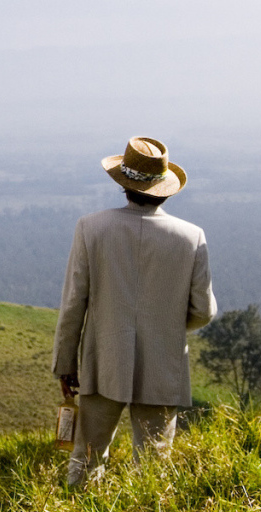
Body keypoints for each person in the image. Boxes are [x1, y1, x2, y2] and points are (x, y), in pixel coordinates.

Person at [52, 136, 217, 486]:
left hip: (103, 360)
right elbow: (203, 310)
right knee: (154, 467)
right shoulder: (191, 236)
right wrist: (168, 326)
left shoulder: (91, 228)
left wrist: (65, 364)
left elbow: (72, 305)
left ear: (122, 184)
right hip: (163, 362)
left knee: (87, 458)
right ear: (166, 189)